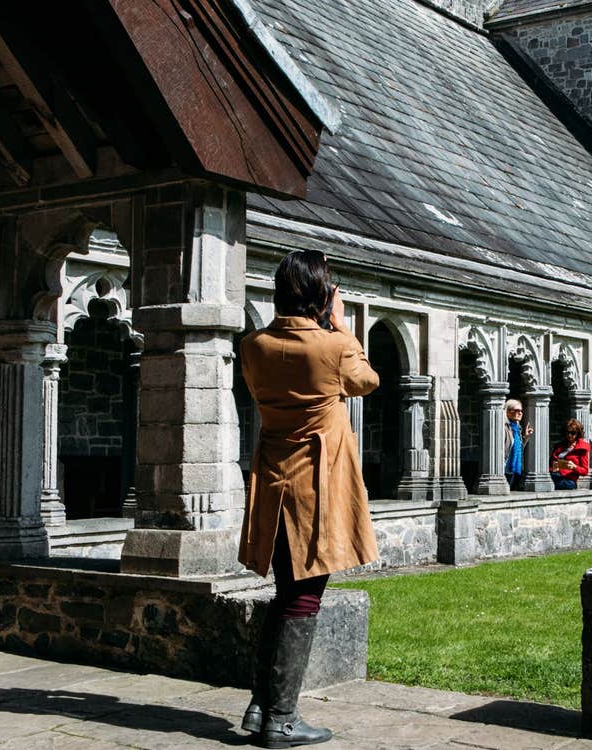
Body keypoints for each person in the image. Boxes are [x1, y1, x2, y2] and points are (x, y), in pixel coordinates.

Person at [237, 250, 379, 748]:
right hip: (315, 487)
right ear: (320, 295)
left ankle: (261, 707)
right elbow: (367, 380)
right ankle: (282, 718)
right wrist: (339, 325)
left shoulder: (253, 345)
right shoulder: (332, 347)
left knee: (285, 592)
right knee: (304, 597)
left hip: (273, 484)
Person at [549, 418, 591, 490]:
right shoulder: (559, 446)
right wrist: (554, 467)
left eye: (573, 433)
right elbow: (550, 464)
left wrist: (574, 467)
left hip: (568, 479)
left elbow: (585, 471)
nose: (569, 435)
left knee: (564, 484)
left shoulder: (582, 448)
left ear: (578, 434)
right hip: (554, 475)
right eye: (567, 432)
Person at [503, 399, 533, 490]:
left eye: (521, 411)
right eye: (516, 410)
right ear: (507, 411)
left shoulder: (517, 428)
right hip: (506, 468)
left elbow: (517, 448)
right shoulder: (504, 428)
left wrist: (525, 437)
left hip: (515, 468)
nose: (520, 413)